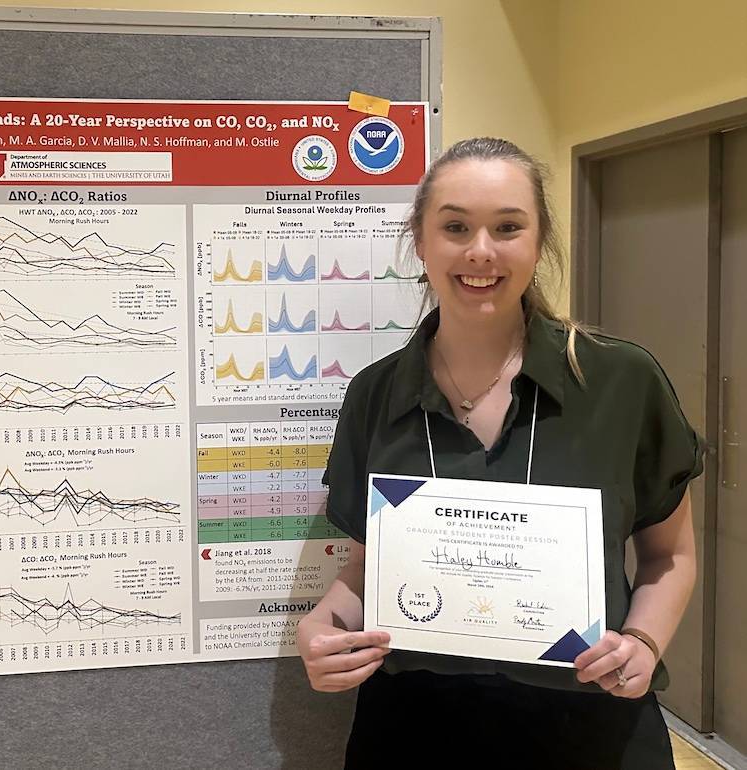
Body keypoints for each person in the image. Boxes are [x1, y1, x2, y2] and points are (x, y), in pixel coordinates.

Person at [297, 137, 703, 769]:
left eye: (507, 227)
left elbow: (669, 556)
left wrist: (644, 643)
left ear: (538, 243)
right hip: (414, 728)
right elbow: (364, 569)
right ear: (422, 242)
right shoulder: (376, 394)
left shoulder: (621, 382)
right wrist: (323, 625)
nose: (480, 250)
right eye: (455, 226)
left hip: (590, 727)